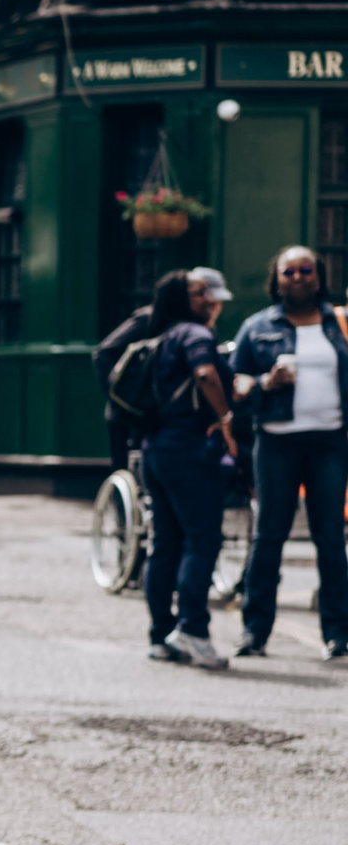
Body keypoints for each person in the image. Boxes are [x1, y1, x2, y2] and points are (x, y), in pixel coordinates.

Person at [230, 247, 348, 660]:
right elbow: (235, 387)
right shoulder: (257, 326)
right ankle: (254, 632)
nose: (298, 277)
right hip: (277, 442)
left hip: (331, 441)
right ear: (276, 279)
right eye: (289, 271)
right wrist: (266, 381)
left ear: (319, 276)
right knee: (269, 537)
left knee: (331, 538)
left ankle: (338, 634)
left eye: (306, 270)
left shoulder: (339, 322)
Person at [124, 269, 242, 668]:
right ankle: (193, 630)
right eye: (198, 293)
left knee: (167, 543)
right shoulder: (195, 334)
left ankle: (162, 634)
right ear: (179, 299)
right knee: (203, 540)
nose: (208, 298)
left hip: (155, 449)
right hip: (189, 449)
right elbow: (205, 373)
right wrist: (226, 421)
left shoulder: (162, 336)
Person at [97, 268, 234, 473]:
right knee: (127, 470)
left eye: (215, 301)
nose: (211, 306)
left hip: (164, 412)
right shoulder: (149, 319)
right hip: (129, 408)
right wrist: (123, 394)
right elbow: (104, 353)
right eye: (203, 296)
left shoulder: (199, 328)